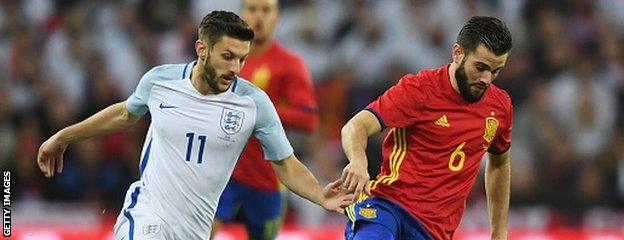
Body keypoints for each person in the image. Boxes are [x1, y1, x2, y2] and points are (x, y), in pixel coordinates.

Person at [36, 10, 352, 240]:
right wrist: (63, 137)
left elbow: (285, 163)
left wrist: (320, 196)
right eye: (227, 56)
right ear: (202, 49)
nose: (236, 68)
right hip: (148, 214)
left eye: (242, 59)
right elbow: (124, 114)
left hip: (196, 230)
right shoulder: (161, 81)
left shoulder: (253, 103)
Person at [340, 16, 513, 240]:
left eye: (495, 71)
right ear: (458, 53)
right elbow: (356, 126)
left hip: (434, 230)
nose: (486, 79)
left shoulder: (499, 107)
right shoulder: (419, 90)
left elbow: (499, 165)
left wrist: (499, 232)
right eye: (480, 67)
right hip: (388, 206)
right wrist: (358, 161)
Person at [212, 0, 319, 239]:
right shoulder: (223, 58)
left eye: (266, 10)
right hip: (222, 173)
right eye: (252, 9)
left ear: (277, 17)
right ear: (241, 15)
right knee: (201, 233)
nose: (258, 16)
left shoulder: (289, 64)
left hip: (268, 177)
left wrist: (260, 110)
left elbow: (309, 119)